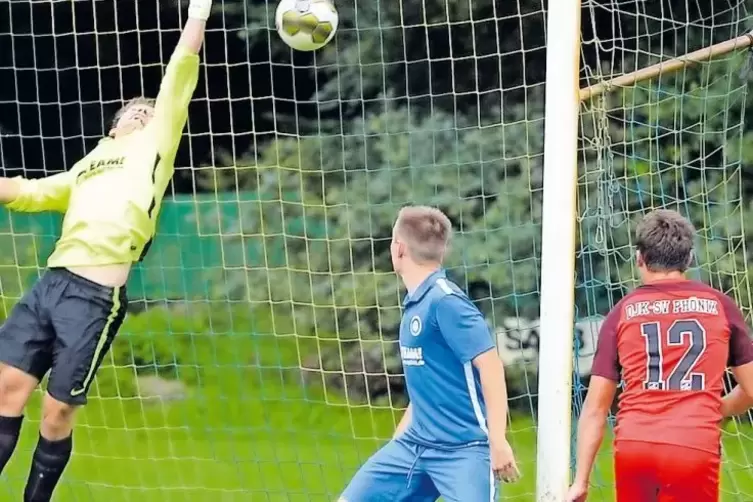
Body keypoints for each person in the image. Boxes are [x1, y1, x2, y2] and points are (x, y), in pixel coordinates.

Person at [0, 1, 211, 499]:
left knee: (57, 412)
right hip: (50, 284)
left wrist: (198, 14)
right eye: (136, 110)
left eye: (151, 109)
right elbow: (31, 192)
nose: (146, 112)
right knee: (6, 390)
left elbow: (180, 68)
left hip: (94, 295)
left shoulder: (157, 141)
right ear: (114, 126)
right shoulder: (89, 163)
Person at [566, 209, 753, 502]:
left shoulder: (621, 313)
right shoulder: (720, 306)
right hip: (692, 445)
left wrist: (580, 481)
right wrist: (719, 408)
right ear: (689, 258)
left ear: (639, 257)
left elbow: (595, 408)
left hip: (634, 445)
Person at [339, 205, 520, 502]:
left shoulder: (446, 302)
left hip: (464, 451)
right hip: (415, 446)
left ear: (397, 248)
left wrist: (497, 441)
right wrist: (395, 449)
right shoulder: (416, 301)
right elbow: (427, 388)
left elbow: (491, 366)